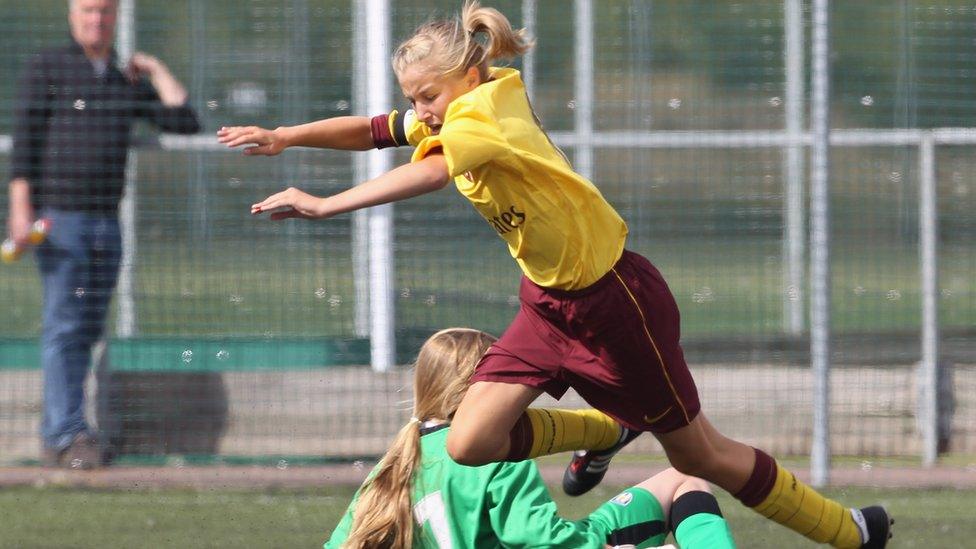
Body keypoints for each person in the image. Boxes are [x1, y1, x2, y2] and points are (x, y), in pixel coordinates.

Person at [219, 2, 891, 547]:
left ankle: (848, 530)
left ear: (469, 74)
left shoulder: (484, 112)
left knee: (700, 457)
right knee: (471, 440)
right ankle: (607, 429)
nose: (419, 110)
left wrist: (325, 204)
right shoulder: (454, 108)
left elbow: (427, 171)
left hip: (617, 305)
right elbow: (373, 129)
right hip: (547, 305)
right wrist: (285, 136)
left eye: (427, 95)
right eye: (414, 98)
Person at [6, 0, 200, 468]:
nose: (97, 20)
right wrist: (19, 207)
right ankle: (63, 434)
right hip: (60, 222)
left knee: (88, 329)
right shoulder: (48, 67)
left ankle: (72, 432)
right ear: (73, 15)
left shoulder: (121, 80)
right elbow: (25, 140)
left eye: (106, 12)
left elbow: (185, 120)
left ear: (115, 19)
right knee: (64, 327)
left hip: (104, 225)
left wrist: (155, 68)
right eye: (89, 11)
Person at [324, 328, 735, 549]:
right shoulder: (489, 454)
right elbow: (542, 542)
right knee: (687, 482)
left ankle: (601, 446)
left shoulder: (391, 467)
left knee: (678, 481)